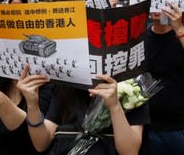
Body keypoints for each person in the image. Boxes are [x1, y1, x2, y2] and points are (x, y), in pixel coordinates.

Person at [18, 66, 148, 155]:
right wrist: (32, 104)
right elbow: (41, 144)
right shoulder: (66, 85)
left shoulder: (131, 86)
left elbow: (130, 151)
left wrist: (115, 107)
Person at [145, 2, 184, 154]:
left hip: (182, 124)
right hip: (148, 127)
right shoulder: (139, 37)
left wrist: (179, 29)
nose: (156, 8)